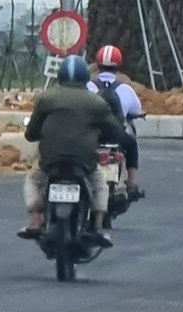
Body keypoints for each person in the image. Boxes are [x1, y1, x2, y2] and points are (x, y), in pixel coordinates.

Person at [19, 54, 124, 246]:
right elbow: (116, 131)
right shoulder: (96, 103)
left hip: (50, 158)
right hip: (84, 159)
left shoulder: (45, 98)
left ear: (60, 76)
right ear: (86, 76)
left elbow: (32, 132)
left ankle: (35, 221)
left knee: (34, 179)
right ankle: (99, 226)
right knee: (100, 184)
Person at [88, 44, 144, 199]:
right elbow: (136, 110)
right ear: (119, 65)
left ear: (97, 64)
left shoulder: (87, 86)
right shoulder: (126, 89)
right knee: (131, 144)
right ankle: (132, 183)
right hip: (116, 136)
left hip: (92, 136)